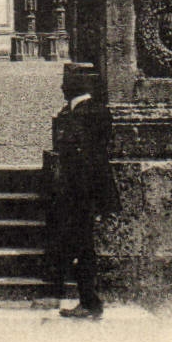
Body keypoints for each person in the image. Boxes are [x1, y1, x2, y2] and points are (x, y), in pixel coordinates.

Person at [50, 65, 112, 319]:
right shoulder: (87, 112)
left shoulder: (83, 115)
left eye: (66, 84)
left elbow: (83, 159)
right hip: (86, 193)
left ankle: (90, 302)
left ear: (71, 88)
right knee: (81, 246)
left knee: (83, 247)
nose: (63, 88)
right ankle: (88, 300)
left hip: (83, 195)